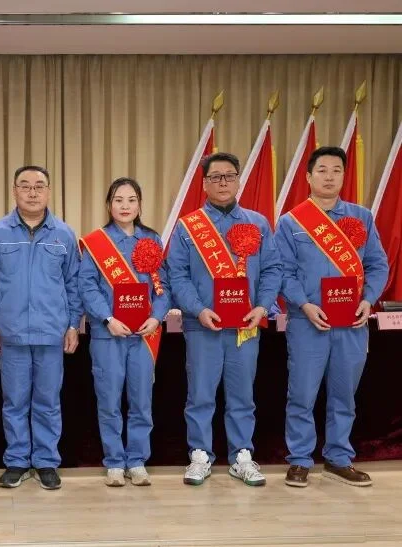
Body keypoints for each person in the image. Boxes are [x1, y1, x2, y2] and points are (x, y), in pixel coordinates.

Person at [275, 146, 389, 488]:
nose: (329, 176)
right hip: (307, 322)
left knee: (344, 395)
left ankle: (338, 458)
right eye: (322, 170)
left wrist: (368, 300)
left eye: (336, 170)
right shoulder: (291, 222)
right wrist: (304, 304)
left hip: (351, 322)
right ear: (308, 177)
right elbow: (282, 271)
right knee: (302, 395)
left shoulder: (362, 217)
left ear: (343, 176)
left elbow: (377, 265)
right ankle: (299, 460)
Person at [168, 152, 282, 487]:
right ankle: (199, 455)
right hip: (202, 325)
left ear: (238, 180)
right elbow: (177, 274)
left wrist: (263, 306)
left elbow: (273, 269)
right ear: (204, 183)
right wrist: (198, 308)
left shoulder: (258, 223)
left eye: (229, 176)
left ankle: (241, 456)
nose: (222, 182)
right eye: (215, 177)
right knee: (200, 394)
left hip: (246, 325)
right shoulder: (188, 227)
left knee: (242, 395)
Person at [0, 165, 82, 490]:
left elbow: (74, 285)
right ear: (14, 191)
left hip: (52, 334)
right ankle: (18, 461)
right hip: (11, 335)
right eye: (25, 186)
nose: (32, 192)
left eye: (39, 186)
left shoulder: (64, 234)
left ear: (48, 191)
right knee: (14, 402)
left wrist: (73, 325)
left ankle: (46, 461)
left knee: (48, 403)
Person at [78, 177, 170, 486]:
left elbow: (163, 287)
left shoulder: (152, 240)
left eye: (131, 200)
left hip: (144, 335)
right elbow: (87, 286)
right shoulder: (97, 242)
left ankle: (137, 460)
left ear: (140, 205)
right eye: (118, 200)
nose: (125, 206)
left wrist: (156, 317)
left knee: (141, 401)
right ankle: (115, 461)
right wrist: (107, 318)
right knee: (109, 401)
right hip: (109, 335)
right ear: (109, 205)